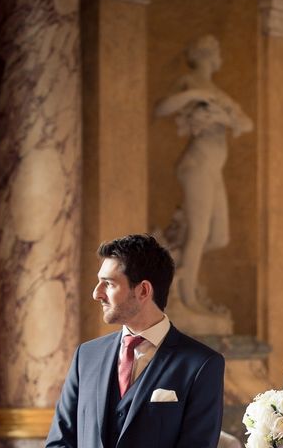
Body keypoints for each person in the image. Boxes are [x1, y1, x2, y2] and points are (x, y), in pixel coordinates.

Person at [46, 234, 225, 447]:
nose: (96, 294)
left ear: (143, 290)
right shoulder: (85, 357)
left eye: (109, 284)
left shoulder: (202, 364)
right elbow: (59, 443)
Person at [154, 34, 253, 313]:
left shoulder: (218, 92)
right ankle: (188, 301)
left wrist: (226, 117)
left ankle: (173, 268)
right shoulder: (191, 83)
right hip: (196, 164)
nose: (214, 54)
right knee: (198, 233)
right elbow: (162, 107)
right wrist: (195, 96)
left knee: (218, 237)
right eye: (211, 49)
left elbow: (246, 123)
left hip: (213, 169)